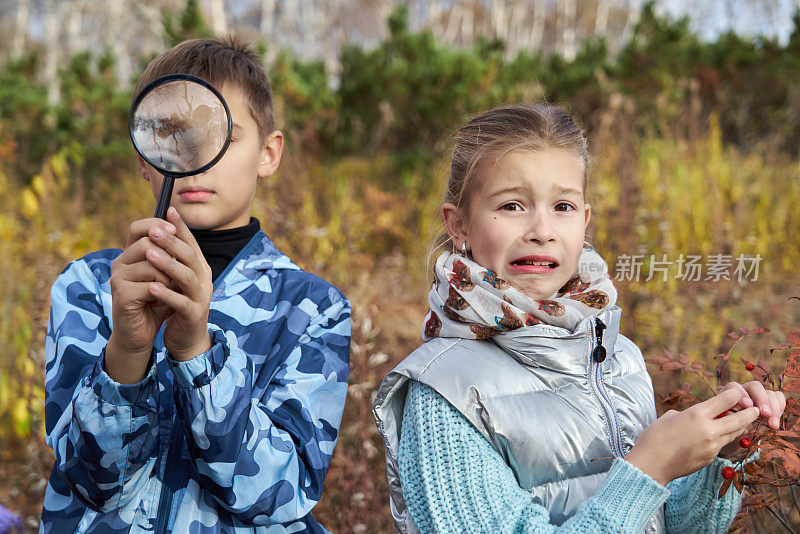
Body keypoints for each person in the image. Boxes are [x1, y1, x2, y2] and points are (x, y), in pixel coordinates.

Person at [372, 103, 785, 533]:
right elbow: (642, 485)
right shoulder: (442, 392)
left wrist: (723, 453)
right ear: (458, 225)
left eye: (563, 207)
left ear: (585, 222)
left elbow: (669, 525)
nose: (542, 229)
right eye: (512, 206)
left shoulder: (618, 355)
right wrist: (648, 470)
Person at [40, 37, 351, 534]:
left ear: (268, 154)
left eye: (221, 139)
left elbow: (278, 492)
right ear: (144, 156)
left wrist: (196, 352)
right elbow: (90, 481)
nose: (195, 161)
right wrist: (127, 349)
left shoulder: (310, 308)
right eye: (171, 137)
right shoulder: (87, 287)